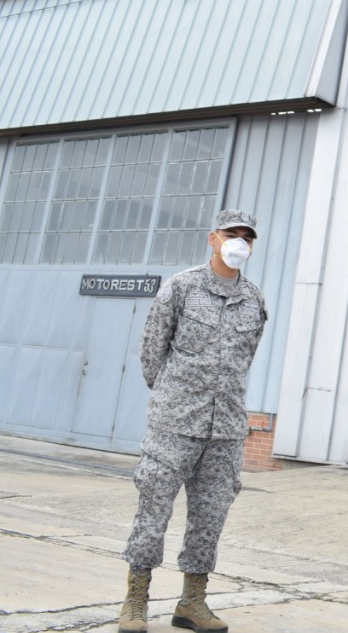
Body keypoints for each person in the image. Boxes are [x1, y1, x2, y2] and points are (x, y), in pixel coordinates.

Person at [118, 210, 269, 633]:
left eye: (246, 237)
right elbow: (152, 353)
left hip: (225, 431)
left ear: (252, 246)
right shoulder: (181, 287)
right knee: (153, 511)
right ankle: (135, 601)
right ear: (212, 238)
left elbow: (244, 360)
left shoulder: (254, 299)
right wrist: (174, 397)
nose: (238, 242)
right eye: (231, 234)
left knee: (210, 518)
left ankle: (192, 603)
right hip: (174, 424)